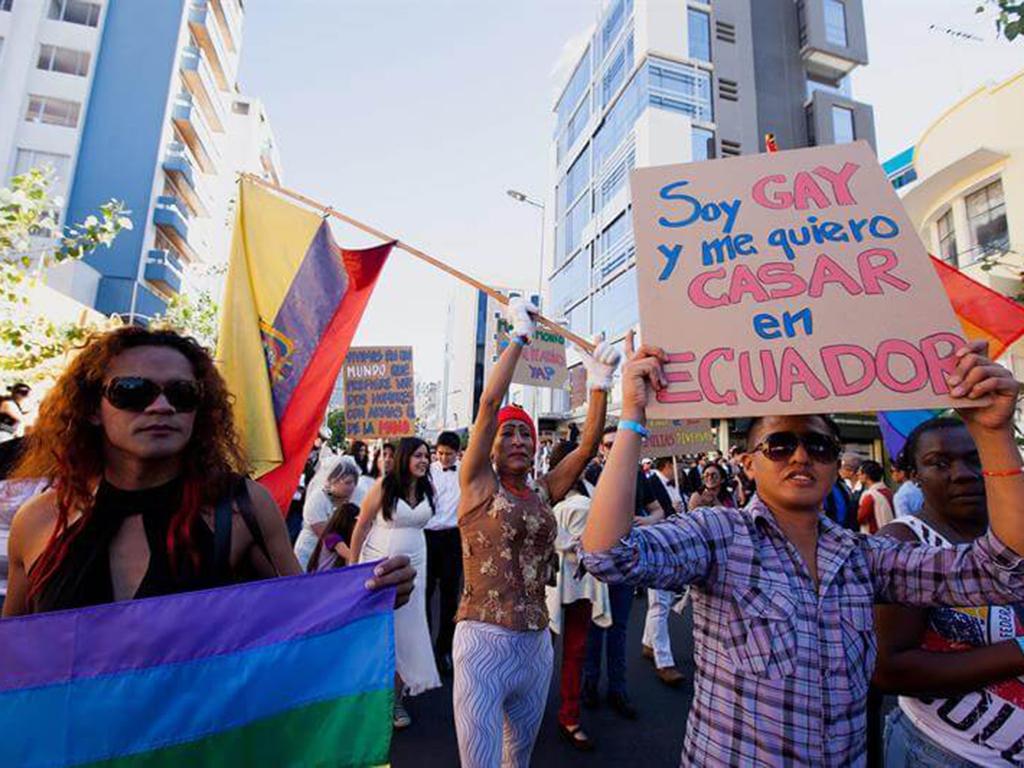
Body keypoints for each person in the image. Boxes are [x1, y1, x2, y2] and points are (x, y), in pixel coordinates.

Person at [581, 334, 1024, 766]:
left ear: (834, 464)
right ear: (750, 464)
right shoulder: (719, 535)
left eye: (819, 446)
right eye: (780, 444)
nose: (800, 456)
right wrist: (633, 417)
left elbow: (999, 571)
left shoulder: (863, 556)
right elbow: (608, 555)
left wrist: (992, 434)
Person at [2, 327, 414, 618]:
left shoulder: (241, 507)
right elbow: (16, 665)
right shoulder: (38, 520)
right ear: (92, 408)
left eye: (182, 394)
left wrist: (372, 593)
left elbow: (304, 616)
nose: (160, 407)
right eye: (132, 391)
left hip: (199, 742)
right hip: (69, 741)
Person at [453, 297, 619, 768]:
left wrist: (599, 382)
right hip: (481, 642)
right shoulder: (477, 484)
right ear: (490, 446)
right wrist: (517, 338)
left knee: (517, 761)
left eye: (525, 434)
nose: (519, 441)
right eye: (509, 434)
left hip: (535, 645)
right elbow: (488, 405)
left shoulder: (545, 492)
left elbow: (587, 446)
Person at [873, 417, 1024, 767]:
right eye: (939, 463)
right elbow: (889, 669)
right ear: (912, 474)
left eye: (976, 458)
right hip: (944, 753)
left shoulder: (1011, 533)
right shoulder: (903, 544)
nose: (963, 473)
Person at [351, 437, 440, 729]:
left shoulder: (428, 488)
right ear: (404, 458)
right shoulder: (385, 486)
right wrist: (353, 567)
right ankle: (378, 695)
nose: (424, 460)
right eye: (418, 455)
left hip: (418, 563)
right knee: (383, 630)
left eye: (427, 456)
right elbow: (362, 524)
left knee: (410, 626)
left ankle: (397, 697)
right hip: (381, 563)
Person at [546, 439, 612, 751]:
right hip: (548, 583)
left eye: (583, 461)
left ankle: (569, 714)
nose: (582, 466)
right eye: (576, 460)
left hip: (584, 583)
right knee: (537, 653)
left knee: (576, 650)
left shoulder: (592, 490)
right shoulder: (541, 492)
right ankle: (522, 710)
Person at [582, 423, 650, 719]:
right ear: (601, 448)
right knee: (594, 628)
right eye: (608, 444)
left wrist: (641, 520)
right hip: (595, 566)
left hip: (624, 563)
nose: (612, 449)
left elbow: (658, 509)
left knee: (619, 629)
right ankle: (589, 685)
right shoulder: (589, 475)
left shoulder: (636, 475)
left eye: (617, 443)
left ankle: (618, 689)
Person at [641, 457, 686, 687]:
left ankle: (649, 643)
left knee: (662, 602)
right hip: (657, 549)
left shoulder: (678, 484)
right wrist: (670, 513)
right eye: (678, 464)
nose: (681, 467)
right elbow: (650, 517)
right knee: (659, 603)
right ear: (668, 464)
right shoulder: (649, 483)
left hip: (674, 550)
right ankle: (664, 661)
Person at [425, 430, 462, 675]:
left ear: (457, 453)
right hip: (427, 536)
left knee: (450, 597)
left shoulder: (465, 472)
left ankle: (444, 650)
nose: (444, 458)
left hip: (453, 537)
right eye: (440, 453)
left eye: (448, 454)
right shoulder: (427, 471)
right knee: (424, 593)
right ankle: (424, 648)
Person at [305, 457, 361, 572]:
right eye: (348, 482)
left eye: (354, 483)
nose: (352, 487)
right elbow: (348, 554)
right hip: (310, 551)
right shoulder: (317, 500)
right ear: (333, 480)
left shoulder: (353, 498)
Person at [856, 459, 894, 534]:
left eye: (860, 473)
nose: (857, 474)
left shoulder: (870, 495)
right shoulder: (889, 492)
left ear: (866, 475)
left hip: (874, 535)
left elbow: (861, 518)